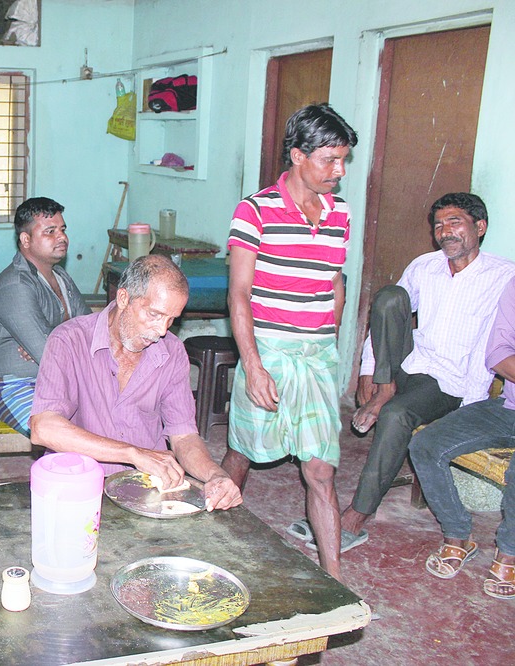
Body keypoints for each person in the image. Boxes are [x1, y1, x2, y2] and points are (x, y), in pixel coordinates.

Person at [221, 103, 356, 580]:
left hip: (315, 355)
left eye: (343, 160)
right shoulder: (255, 210)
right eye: (329, 160)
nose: (339, 171)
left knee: (321, 471)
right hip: (269, 351)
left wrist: (328, 340)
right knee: (243, 452)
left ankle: (335, 581)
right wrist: (254, 365)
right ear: (298, 155)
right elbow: (239, 294)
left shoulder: (340, 213)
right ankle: (210, 535)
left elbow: (335, 282)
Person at [341, 193, 515, 543]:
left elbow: (491, 348)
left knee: (397, 415)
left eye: (455, 223)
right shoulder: (425, 265)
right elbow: (390, 317)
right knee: (390, 296)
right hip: (410, 361)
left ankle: (356, 515)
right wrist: (370, 369)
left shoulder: (503, 276)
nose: (445, 232)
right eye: (438, 225)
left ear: (480, 227)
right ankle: (385, 390)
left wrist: (469, 407)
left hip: (447, 382)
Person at [29, 254, 242, 512]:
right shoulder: (69, 340)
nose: (162, 330)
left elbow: (184, 435)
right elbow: (44, 428)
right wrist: (132, 453)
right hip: (80, 485)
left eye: (171, 319)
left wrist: (215, 475)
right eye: (154, 314)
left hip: (146, 488)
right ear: (123, 298)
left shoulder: (172, 352)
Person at [410, 276, 515, 599]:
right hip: (509, 407)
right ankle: (458, 535)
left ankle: (509, 554)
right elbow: (497, 354)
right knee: (426, 445)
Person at [0, 197, 91, 436]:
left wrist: (56, 341)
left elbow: (90, 331)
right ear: (26, 240)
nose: (61, 237)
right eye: (50, 231)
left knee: (111, 416)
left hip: (56, 382)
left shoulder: (61, 277)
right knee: (63, 433)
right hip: (12, 387)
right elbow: (49, 354)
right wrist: (54, 344)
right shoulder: (15, 285)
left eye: (62, 230)